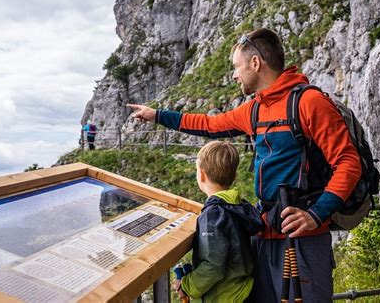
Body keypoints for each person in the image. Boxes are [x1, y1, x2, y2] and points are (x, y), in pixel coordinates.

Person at [128, 28, 362, 302]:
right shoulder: (255, 110)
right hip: (265, 237)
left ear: (255, 63)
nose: (234, 75)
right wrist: (157, 115)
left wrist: (315, 215)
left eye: (237, 67)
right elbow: (209, 125)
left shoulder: (309, 103)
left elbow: (348, 163)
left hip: (305, 240)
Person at [173, 141, 263, 303]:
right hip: (243, 289)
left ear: (201, 175)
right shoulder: (238, 205)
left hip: (225, 296)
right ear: (234, 176)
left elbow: (214, 266)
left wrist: (186, 285)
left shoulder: (214, 214)